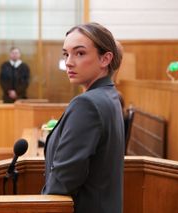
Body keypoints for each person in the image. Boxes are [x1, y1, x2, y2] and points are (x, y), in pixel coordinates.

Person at [42, 22, 124, 213]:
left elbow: (62, 183)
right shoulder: (110, 95)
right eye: (66, 54)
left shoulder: (86, 104)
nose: (69, 62)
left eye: (79, 53)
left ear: (105, 59)